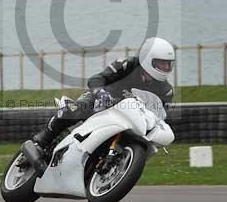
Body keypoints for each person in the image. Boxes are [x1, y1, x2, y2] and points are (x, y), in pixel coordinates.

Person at [32, 37, 175, 149]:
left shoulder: (166, 91)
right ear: (147, 58)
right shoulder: (126, 65)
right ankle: (42, 141)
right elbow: (96, 79)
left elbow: (159, 115)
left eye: (168, 64)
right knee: (75, 110)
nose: (165, 67)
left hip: (131, 117)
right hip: (103, 99)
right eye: (161, 63)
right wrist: (101, 92)